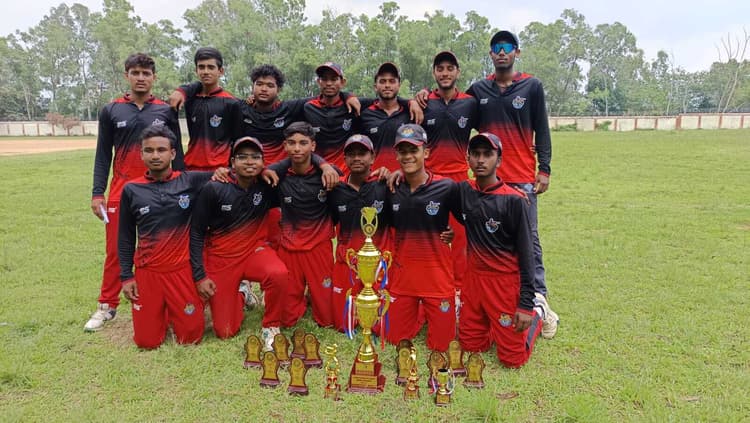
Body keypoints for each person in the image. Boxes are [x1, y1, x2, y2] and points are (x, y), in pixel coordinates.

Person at [465, 31, 558, 338]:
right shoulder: (479, 89)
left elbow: (542, 129)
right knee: (490, 238)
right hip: (488, 180)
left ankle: (539, 301)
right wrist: (424, 96)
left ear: (517, 52)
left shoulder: (531, 86)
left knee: (529, 239)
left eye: (507, 47)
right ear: (491, 54)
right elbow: (455, 110)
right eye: (496, 47)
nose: (501, 51)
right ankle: (490, 298)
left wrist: (544, 169)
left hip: (521, 179)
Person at [86, 52, 184, 332]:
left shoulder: (165, 110)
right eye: (135, 73)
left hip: (160, 190)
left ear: (154, 77)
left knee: (165, 247)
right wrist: (97, 193)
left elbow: (177, 153)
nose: (141, 78)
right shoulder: (111, 110)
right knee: (116, 250)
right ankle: (107, 305)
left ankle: (168, 300)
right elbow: (103, 154)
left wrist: (182, 184)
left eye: (146, 73)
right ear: (126, 76)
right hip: (122, 191)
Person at [189, 136, 288, 350]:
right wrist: (199, 275)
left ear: (263, 162)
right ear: (232, 162)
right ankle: (243, 293)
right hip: (221, 258)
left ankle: (271, 326)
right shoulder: (214, 188)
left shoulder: (267, 185)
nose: (249, 162)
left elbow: (294, 160)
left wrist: (266, 170)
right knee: (225, 331)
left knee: (278, 273)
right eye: (243, 157)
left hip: (254, 252)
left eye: (255, 157)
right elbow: (196, 233)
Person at [118, 124, 211, 349]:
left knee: (191, 338)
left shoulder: (190, 181)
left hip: (181, 270)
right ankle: (161, 310)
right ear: (141, 154)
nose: (155, 155)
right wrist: (126, 277)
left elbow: (231, 173)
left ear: (173, 153)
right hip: (148, 272)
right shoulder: (131, 190)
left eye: (161, 150)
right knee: (146, 342)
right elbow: (125, 236)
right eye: (149, 150)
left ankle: (178, 308)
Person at [456, 132, 543, 367]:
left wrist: (526, 304)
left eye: (488, 154)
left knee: (512, 360)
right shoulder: (464, 191)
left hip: (503, 284)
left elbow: (527, 256)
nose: (481, 160)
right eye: (475, 154)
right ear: (468, 159)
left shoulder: (515, 200)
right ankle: (494, 325)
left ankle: (538, 315)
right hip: (473, 282)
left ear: (499, 160)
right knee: (471, 347)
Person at [384, 124, 461, 352]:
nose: (408, 156)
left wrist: (452, 232)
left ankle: (440, 308)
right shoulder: (391, 188)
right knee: (394, 339)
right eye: (402, 151)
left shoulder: (446, 187)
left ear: (426, 152)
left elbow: (467, 217)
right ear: (396, 155)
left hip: (437, 279)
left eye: (413, 150)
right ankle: (419, 312)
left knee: (441, 346)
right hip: (403, 279)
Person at [421, 50, 478, 301]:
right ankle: (432, 288)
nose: (445, 73)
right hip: (430, 180)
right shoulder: (424, 103)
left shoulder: (470, 103)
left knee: (460, 238)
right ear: (434, 73)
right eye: (440, 68)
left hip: (459, 180)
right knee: (432, 238)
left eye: (450, 68)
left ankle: (457, 291)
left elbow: (491, 128)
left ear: (458, 72)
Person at [271, 121, 336, 327]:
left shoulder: (328, 175)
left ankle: (314, 294)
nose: (297, 148)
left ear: (313, 145)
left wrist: (324, 165)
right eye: (291, 143)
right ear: (285, 146)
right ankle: (299, 295)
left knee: (328, 320)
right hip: (289, 248)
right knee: (286, 320)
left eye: (303, 143)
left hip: (319, 247)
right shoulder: (277, 176)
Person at [327, 134, 392, 333]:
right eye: (351, 154)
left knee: (382, 328)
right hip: (347, 261)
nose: (356, 158)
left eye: (362, 154)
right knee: (342, 325)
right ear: (345, 159)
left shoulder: (386, 185)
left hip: (379, 263)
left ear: (373, 157)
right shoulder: (335, 189)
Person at [178, 47, 243, 170]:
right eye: (201, 67)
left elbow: (238, 141)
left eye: (211, 67)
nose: (206, 71)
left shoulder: (231, 103)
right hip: (190, 169)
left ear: (221, 71)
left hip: (220, 171)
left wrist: (231, 169)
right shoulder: (190, 101)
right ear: (196, 70)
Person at [303, 62, 358, 170]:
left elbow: (384, 101)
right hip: (317, 171)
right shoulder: (308, 108)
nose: (328, 83)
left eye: (334, 79)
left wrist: (349, 96)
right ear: (319, 82)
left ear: (342, 82)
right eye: (324, 79)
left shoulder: (353, 105)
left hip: (346, 172)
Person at [359, 62, 412, 172]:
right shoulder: (364, 115)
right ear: (375, 86)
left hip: (403, 178)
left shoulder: (411, 113)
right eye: (382, 81)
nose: (387, 85)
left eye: (392, 81)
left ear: (399, 85)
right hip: (373, 178)